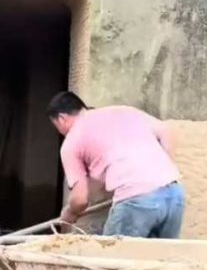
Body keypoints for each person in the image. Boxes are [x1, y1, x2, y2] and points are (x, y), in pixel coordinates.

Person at [47, 91, 184, 238]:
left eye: (56, 126)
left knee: (112, 256)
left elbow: (80, 199)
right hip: (174, 194)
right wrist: (161, 171)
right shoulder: (123, 111)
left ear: (61, 118)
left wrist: (69, 213)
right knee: (160, 258)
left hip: (135, 200)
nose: (60, 132)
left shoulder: (71, 142)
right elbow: (166, 131)